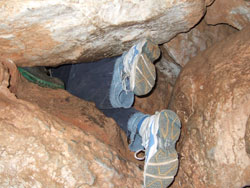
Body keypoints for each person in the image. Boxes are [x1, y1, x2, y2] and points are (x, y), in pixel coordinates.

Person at [18, 38, 181, 188]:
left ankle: (122, 67)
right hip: (75, 57)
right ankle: (146, 126)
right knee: (87, 105)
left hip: (69, 49)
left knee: (75, 88)